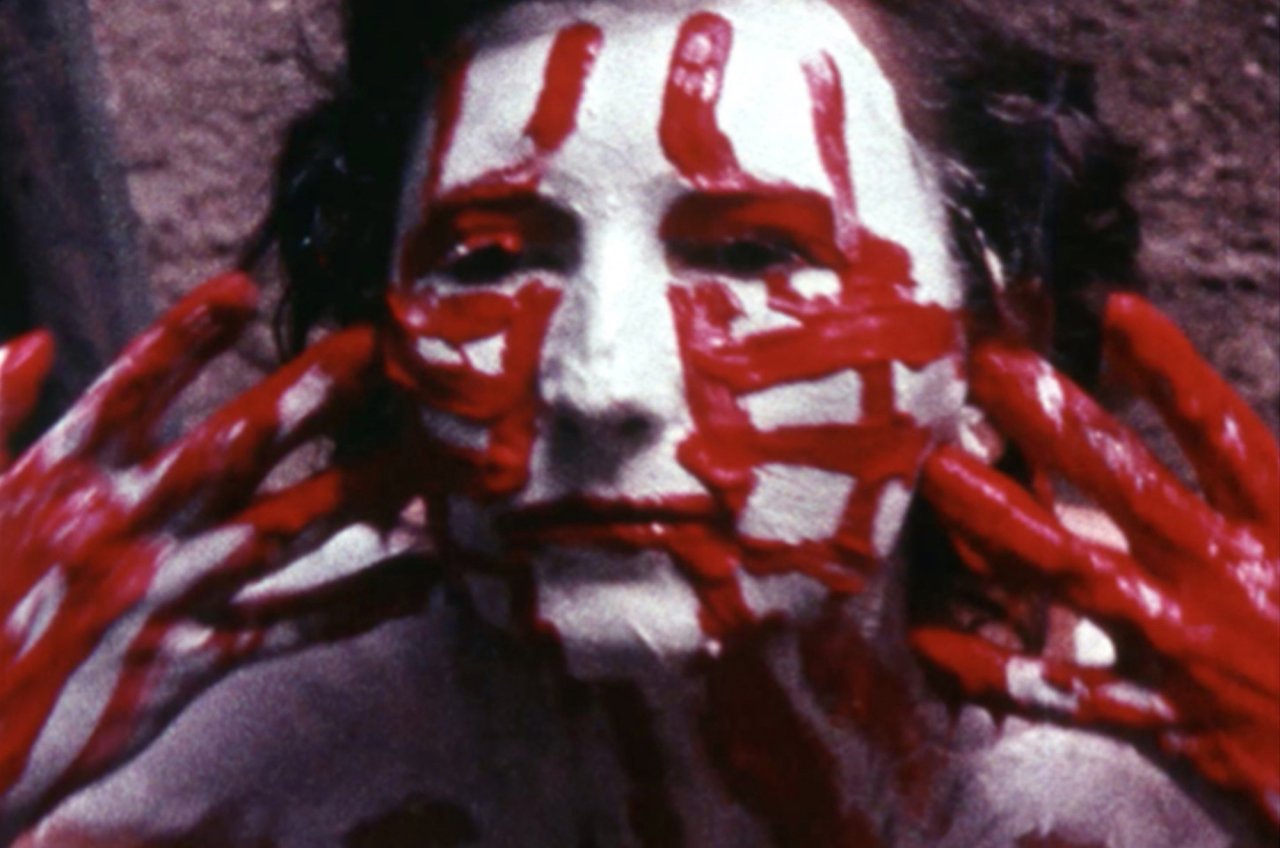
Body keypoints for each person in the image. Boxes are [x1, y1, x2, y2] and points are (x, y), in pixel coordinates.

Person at [1, 0, 1276, 845]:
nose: (598, 381)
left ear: (990, 340)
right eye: (494, 260)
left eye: (750, 254)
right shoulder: (206, 759)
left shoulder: (1163, 782)